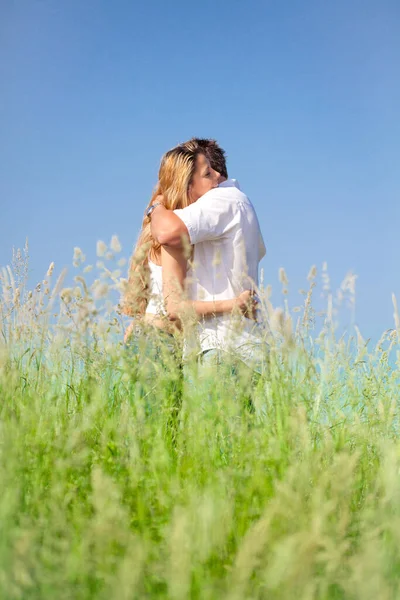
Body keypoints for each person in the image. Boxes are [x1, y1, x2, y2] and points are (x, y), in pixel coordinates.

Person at [122, 143, 257, 374]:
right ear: (187, 187)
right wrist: (233, 305)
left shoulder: (166, 225)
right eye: (207, 174)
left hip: (153, 340)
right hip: (159, 343)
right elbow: (175, 308)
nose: (218, 176)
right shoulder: (174, 239)